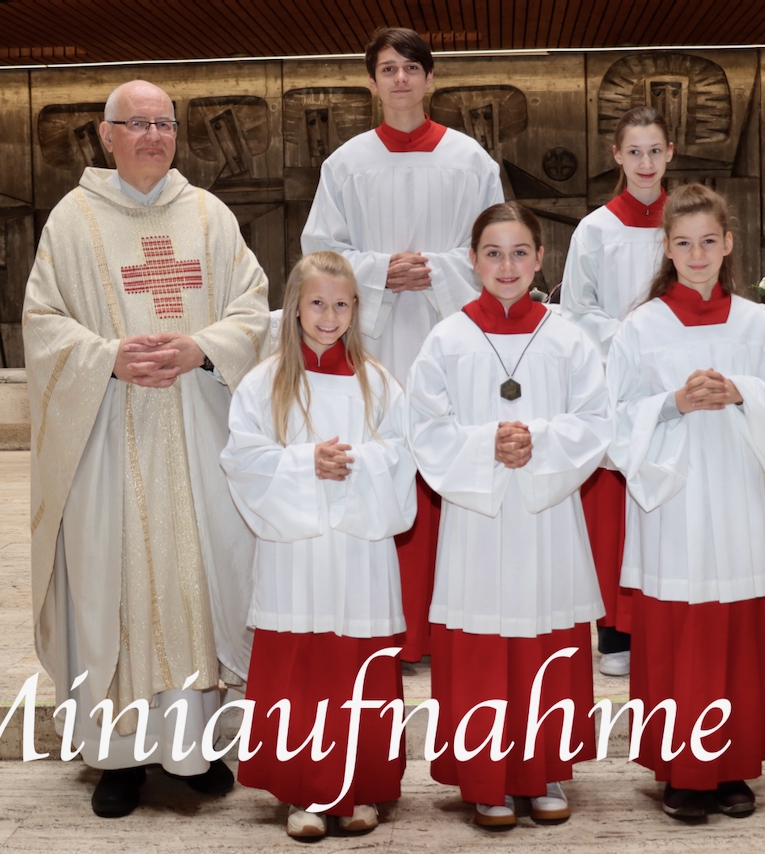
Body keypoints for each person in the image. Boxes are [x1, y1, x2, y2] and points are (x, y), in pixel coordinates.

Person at [24, 80, 270, 818]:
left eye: (164, 123)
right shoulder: (72, 221)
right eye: (136, 124)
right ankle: (118, 760)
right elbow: (41, 322)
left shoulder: (210, 215)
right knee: (113, 584)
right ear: (106, 136)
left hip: (196, 433)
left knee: (195, 582)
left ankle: (195, 751)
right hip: (107, 436)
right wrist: (105, 357)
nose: (153, 136)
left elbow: (252, 309)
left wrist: (202, 346)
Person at [303, 27, 504, 663]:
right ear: (372, 82)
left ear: (430, 78)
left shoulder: (471, 160)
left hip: (455, 342)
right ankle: (390, 631)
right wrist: (378, 271)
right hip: (376, 342)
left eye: (411, 68)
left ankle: (452, 627)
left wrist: (440, 270)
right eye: (388, 69)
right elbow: (319, 252)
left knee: (452, 469)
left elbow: (500, 248)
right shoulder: (346, 164)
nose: (400, 79)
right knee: (383, 467)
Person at [407, 202, 611, 828]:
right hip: (479, 519)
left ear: (541, 258)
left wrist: (539, 442)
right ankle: (486, 778)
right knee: (481, 646)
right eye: (493, 253)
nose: (507, 266)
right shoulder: (447, 338)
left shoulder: (567, 336)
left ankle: (544, 768)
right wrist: (485, 447)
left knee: (546, 640)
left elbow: (596, 419)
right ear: (473, 260)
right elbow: (423, 428)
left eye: (520, 252)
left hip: (545, 516)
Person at [607, 184, 765, 820]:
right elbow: (613, 418)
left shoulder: (757, 324)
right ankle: (681, 771)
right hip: (672, 504)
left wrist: (740, 392)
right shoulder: (642, 326)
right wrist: (672, 403)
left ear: (729, 244)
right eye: (684, 243)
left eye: (708, 241)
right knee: (675, 635)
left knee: (733, 631)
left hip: (734, 497)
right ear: (666, 247)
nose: (697, 254)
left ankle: (732, 766)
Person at [221, 251, 416, 839]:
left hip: (359, 550)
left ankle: (360, 788)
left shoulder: (377, 381)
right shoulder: (264, 383)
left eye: (341, 305)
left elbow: (404, 454)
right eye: (317, 304)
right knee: (300, 670)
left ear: (356, 309)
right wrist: (307, 461)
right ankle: (304, 793)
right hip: (297, 553)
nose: (329, 317)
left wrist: (354, 462)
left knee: (360, 668)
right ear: (295, 308)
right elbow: (243, 459)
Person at [561, 106, 674, 677]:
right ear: (616, 157)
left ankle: (665, 621)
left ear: (670, 153)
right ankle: (615, 632)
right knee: (613, 517)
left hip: (675, 386)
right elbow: (576, 311)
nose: (645, 163)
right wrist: (633, 340)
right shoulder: (596, 229)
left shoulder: (686, 224)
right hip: (614, 383)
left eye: (654, 151)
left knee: (670, 505)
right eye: (634, 152)